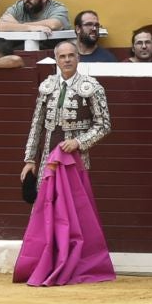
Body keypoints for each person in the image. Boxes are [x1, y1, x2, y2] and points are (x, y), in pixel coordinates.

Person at [20, 38, 112, 191]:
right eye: (62, 56)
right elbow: (36, 124)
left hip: (75, 157)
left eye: (71, 55)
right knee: (46, 199)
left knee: (72, 203)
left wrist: (78, 142)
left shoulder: (92, 87)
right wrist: (30, 159)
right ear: (56, 60)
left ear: (78, 58)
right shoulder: (47, 86)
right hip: (48, 156)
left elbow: (103, 125)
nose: (67, 60)